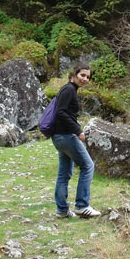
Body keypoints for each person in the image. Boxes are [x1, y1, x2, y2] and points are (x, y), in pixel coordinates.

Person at [51, 64, 101, 219]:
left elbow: (64, 112)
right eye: (82, 75)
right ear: (74, 74)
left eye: (87, 77)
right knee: (88, 166)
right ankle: (82, 205)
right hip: (66, 136)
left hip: (59, 136)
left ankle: (62, 210)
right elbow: (60, 113)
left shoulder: (69, 89)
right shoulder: (69, 90)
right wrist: (78, 130)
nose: (85, 79)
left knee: (64, 173)